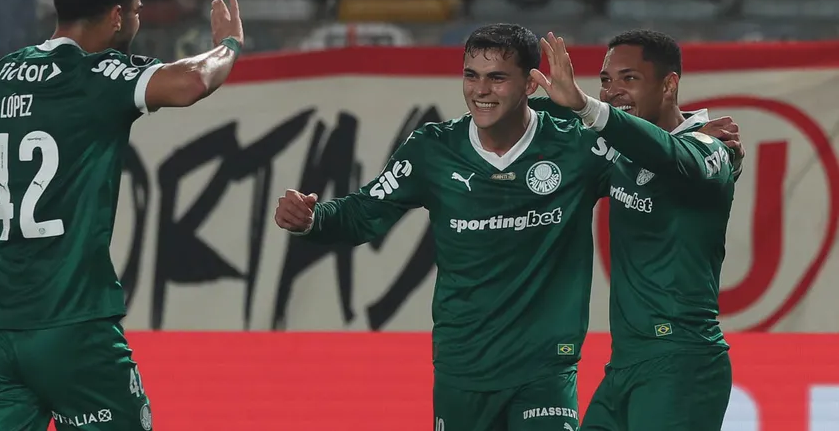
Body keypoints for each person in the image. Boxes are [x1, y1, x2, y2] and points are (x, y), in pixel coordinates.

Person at [273, 23, 739, 430]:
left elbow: (662, 147)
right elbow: (361, 213)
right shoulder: (432, 150)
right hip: (466, 368)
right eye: (471, 76)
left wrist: (701, 145)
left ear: (530, 84)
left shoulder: (582, 148)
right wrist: (313, 219)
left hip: (559, 369)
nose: (482, 90)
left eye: (497, 77)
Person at [0, 0, 244, 430]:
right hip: (71, 319)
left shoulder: (4, 72)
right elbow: (191, 82)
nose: (138, 19)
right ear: (115, 16)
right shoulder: (98, 75)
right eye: (137, 9)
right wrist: (228, 45)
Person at [531, 30, 737, 431]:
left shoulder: (712, 149)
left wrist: (585, 106)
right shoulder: (619, 148)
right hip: (624, 364)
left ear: (669, 84)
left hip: (682, 360)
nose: (613, 91)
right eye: (606, 80)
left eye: (629, 78)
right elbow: (558, 119)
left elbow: (674, 156)